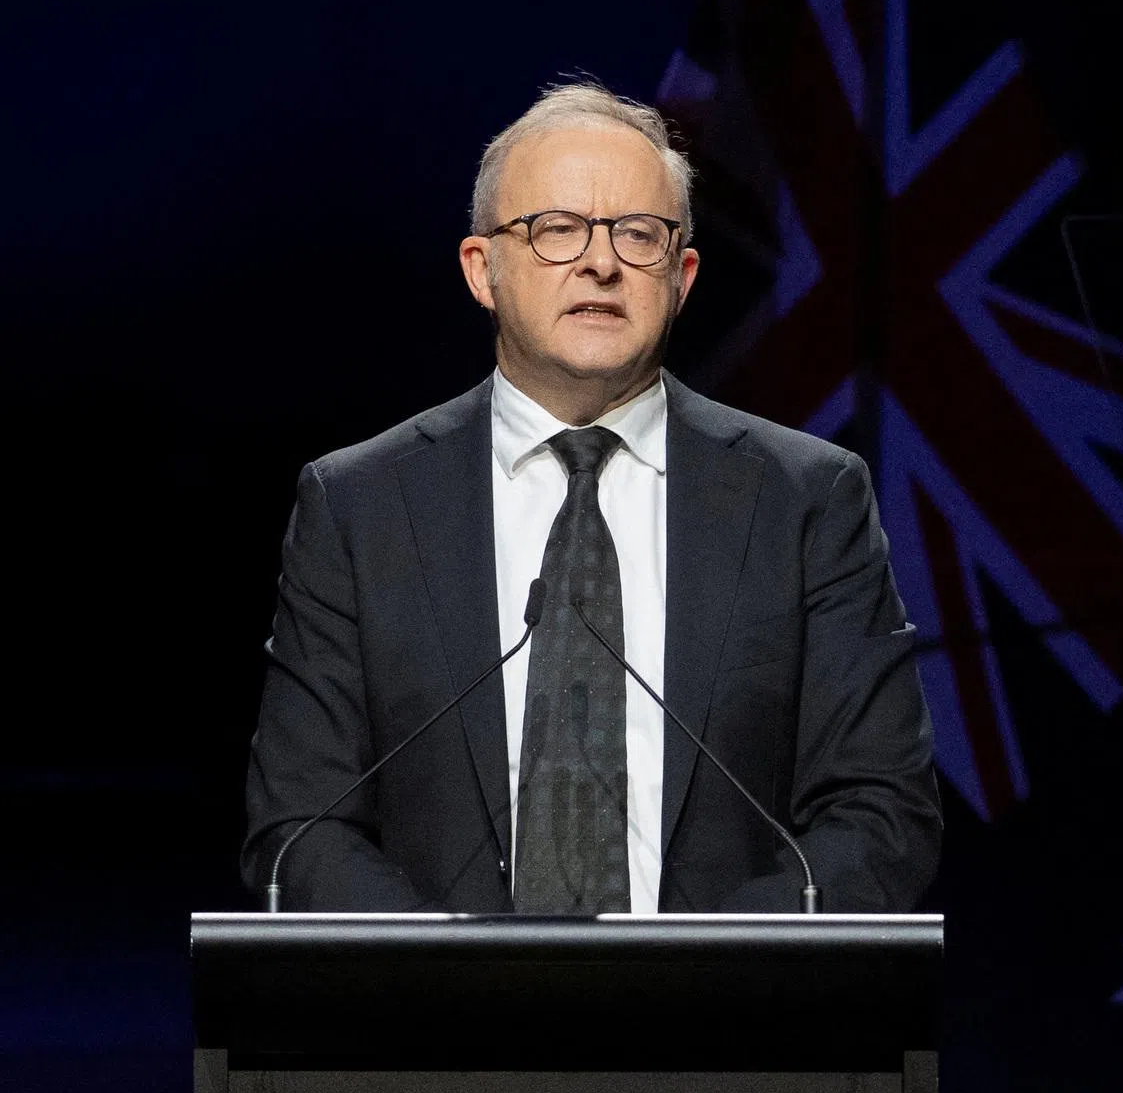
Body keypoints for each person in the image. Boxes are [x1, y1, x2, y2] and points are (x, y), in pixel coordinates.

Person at [241, 81, 941, 914]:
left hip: (724, 1029)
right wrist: (459, 979)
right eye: (556, 230)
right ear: (482, 269)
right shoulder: (359, 506)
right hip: (440, 1031)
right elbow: (298, 827)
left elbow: (882, 813)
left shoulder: (807, 499)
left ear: (681, 277)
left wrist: (697, 978)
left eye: (638, 235)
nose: (601, 262)